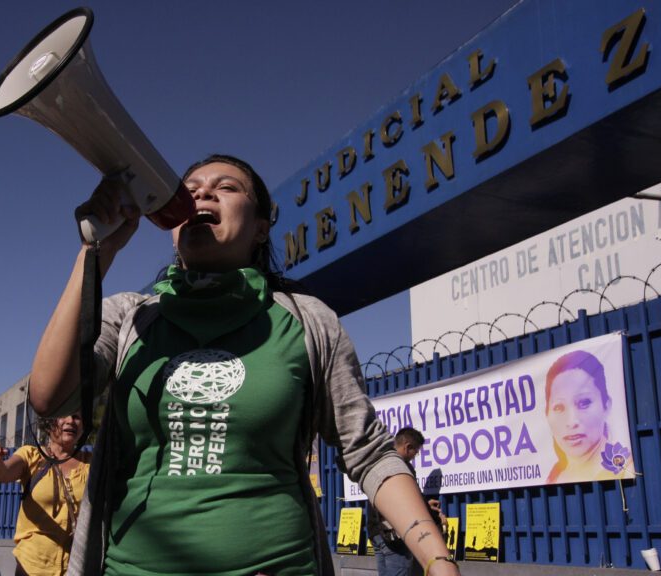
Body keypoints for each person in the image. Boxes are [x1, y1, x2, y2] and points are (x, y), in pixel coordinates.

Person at [29, 154, 460, 575]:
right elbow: (49, 396)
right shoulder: (130, 318)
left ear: (260, 227)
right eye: (189, 193)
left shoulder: (308, 321)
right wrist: (95, 251)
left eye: (226, 188)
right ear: (170, 224)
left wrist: (437, 560)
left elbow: (368, 454)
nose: (203, 197)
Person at [0, 411, 91, 575]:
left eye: (77, 417)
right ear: (49, 422)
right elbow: (3, 473)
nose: (71, 421)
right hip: (31, 567)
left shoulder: (91, 463)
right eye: (65, 415)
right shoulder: (31, 455)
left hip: (74, 567)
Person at [367, 428, 447, 576]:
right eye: (415, 451)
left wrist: (424, 503)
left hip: (376, 532)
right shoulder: (401, 466)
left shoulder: (379, 461)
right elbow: (409, 500)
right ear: (407, 447)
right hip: (394, 536)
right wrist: (436, 519)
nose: (415, 456)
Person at [545, 349, 632, 483]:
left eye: (584, 403)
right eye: (559, 407)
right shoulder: (553, 477)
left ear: (606, 406)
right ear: (547, 415)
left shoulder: (627, 469)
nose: (572, 421)